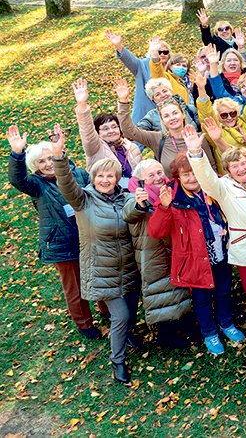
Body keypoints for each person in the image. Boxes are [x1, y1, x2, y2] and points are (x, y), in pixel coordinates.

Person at [50, 126, 139, 383]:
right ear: (93, 177)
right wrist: (59, 156)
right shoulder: (84, 199)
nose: (105, 180)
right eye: (100, 176)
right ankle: (118, 361)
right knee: (120, 315)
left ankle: (127, 334)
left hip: (128, 266)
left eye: (110, 176)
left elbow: (135, 214)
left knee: (130, 311)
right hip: (101, 269)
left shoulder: (124, 198)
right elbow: (66, 183)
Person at [184, 126, 246, 348]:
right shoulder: (223, 188)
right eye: (234, 165)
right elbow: (206, 178)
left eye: (243, 163)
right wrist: (196, 154)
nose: (240, 168)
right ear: (228, 170)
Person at [6, 125, 105, 339]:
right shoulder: (36, 184)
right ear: (35, 167)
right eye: (42, 161)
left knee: (99, 275)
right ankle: (84, 323)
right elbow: (17, 179)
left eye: (51, 158)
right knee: (75, 286)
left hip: (89, 235)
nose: (48, 164)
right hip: (61, 242)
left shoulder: (77, 173)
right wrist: (17, 153)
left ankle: (106, 310)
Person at [147, 153, 244, 356]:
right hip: (195, 260)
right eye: (186, 175)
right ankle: (209, 332)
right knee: (202, 299)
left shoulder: (212, 190)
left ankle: (226, 323)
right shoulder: (173, 199)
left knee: (223, 291)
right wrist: (164, 208)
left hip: (220, 253)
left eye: (194, 173)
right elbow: (156, 232)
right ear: (178, 177)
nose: (192, 178)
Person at [124, 160, 193, 350]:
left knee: (176, 288)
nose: (157, 178)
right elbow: (129, 213)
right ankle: (166, 334)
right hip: (151, 252)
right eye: (151, 175)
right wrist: (139, 205)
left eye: (159, 172)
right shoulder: (135, 195)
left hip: (171, 248)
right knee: (159, 291)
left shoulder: (170, 190)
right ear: (140, 180)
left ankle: (183, 325)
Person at [116, 78, 215, 172]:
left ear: (183, 114)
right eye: (158, 94)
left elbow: (211, 166)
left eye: (165, 91)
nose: (172, 118)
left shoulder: (192, 115)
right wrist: (123, 102)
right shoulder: (156, 137)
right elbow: (130, 131)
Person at [73, 79, 142, 185]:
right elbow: (87, 132)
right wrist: (82, 104)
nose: (111, 131)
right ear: (98, 133)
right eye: (105, 128)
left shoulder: (131, 148)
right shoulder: (95, 149)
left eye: (114, 127)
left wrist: (123, 100)